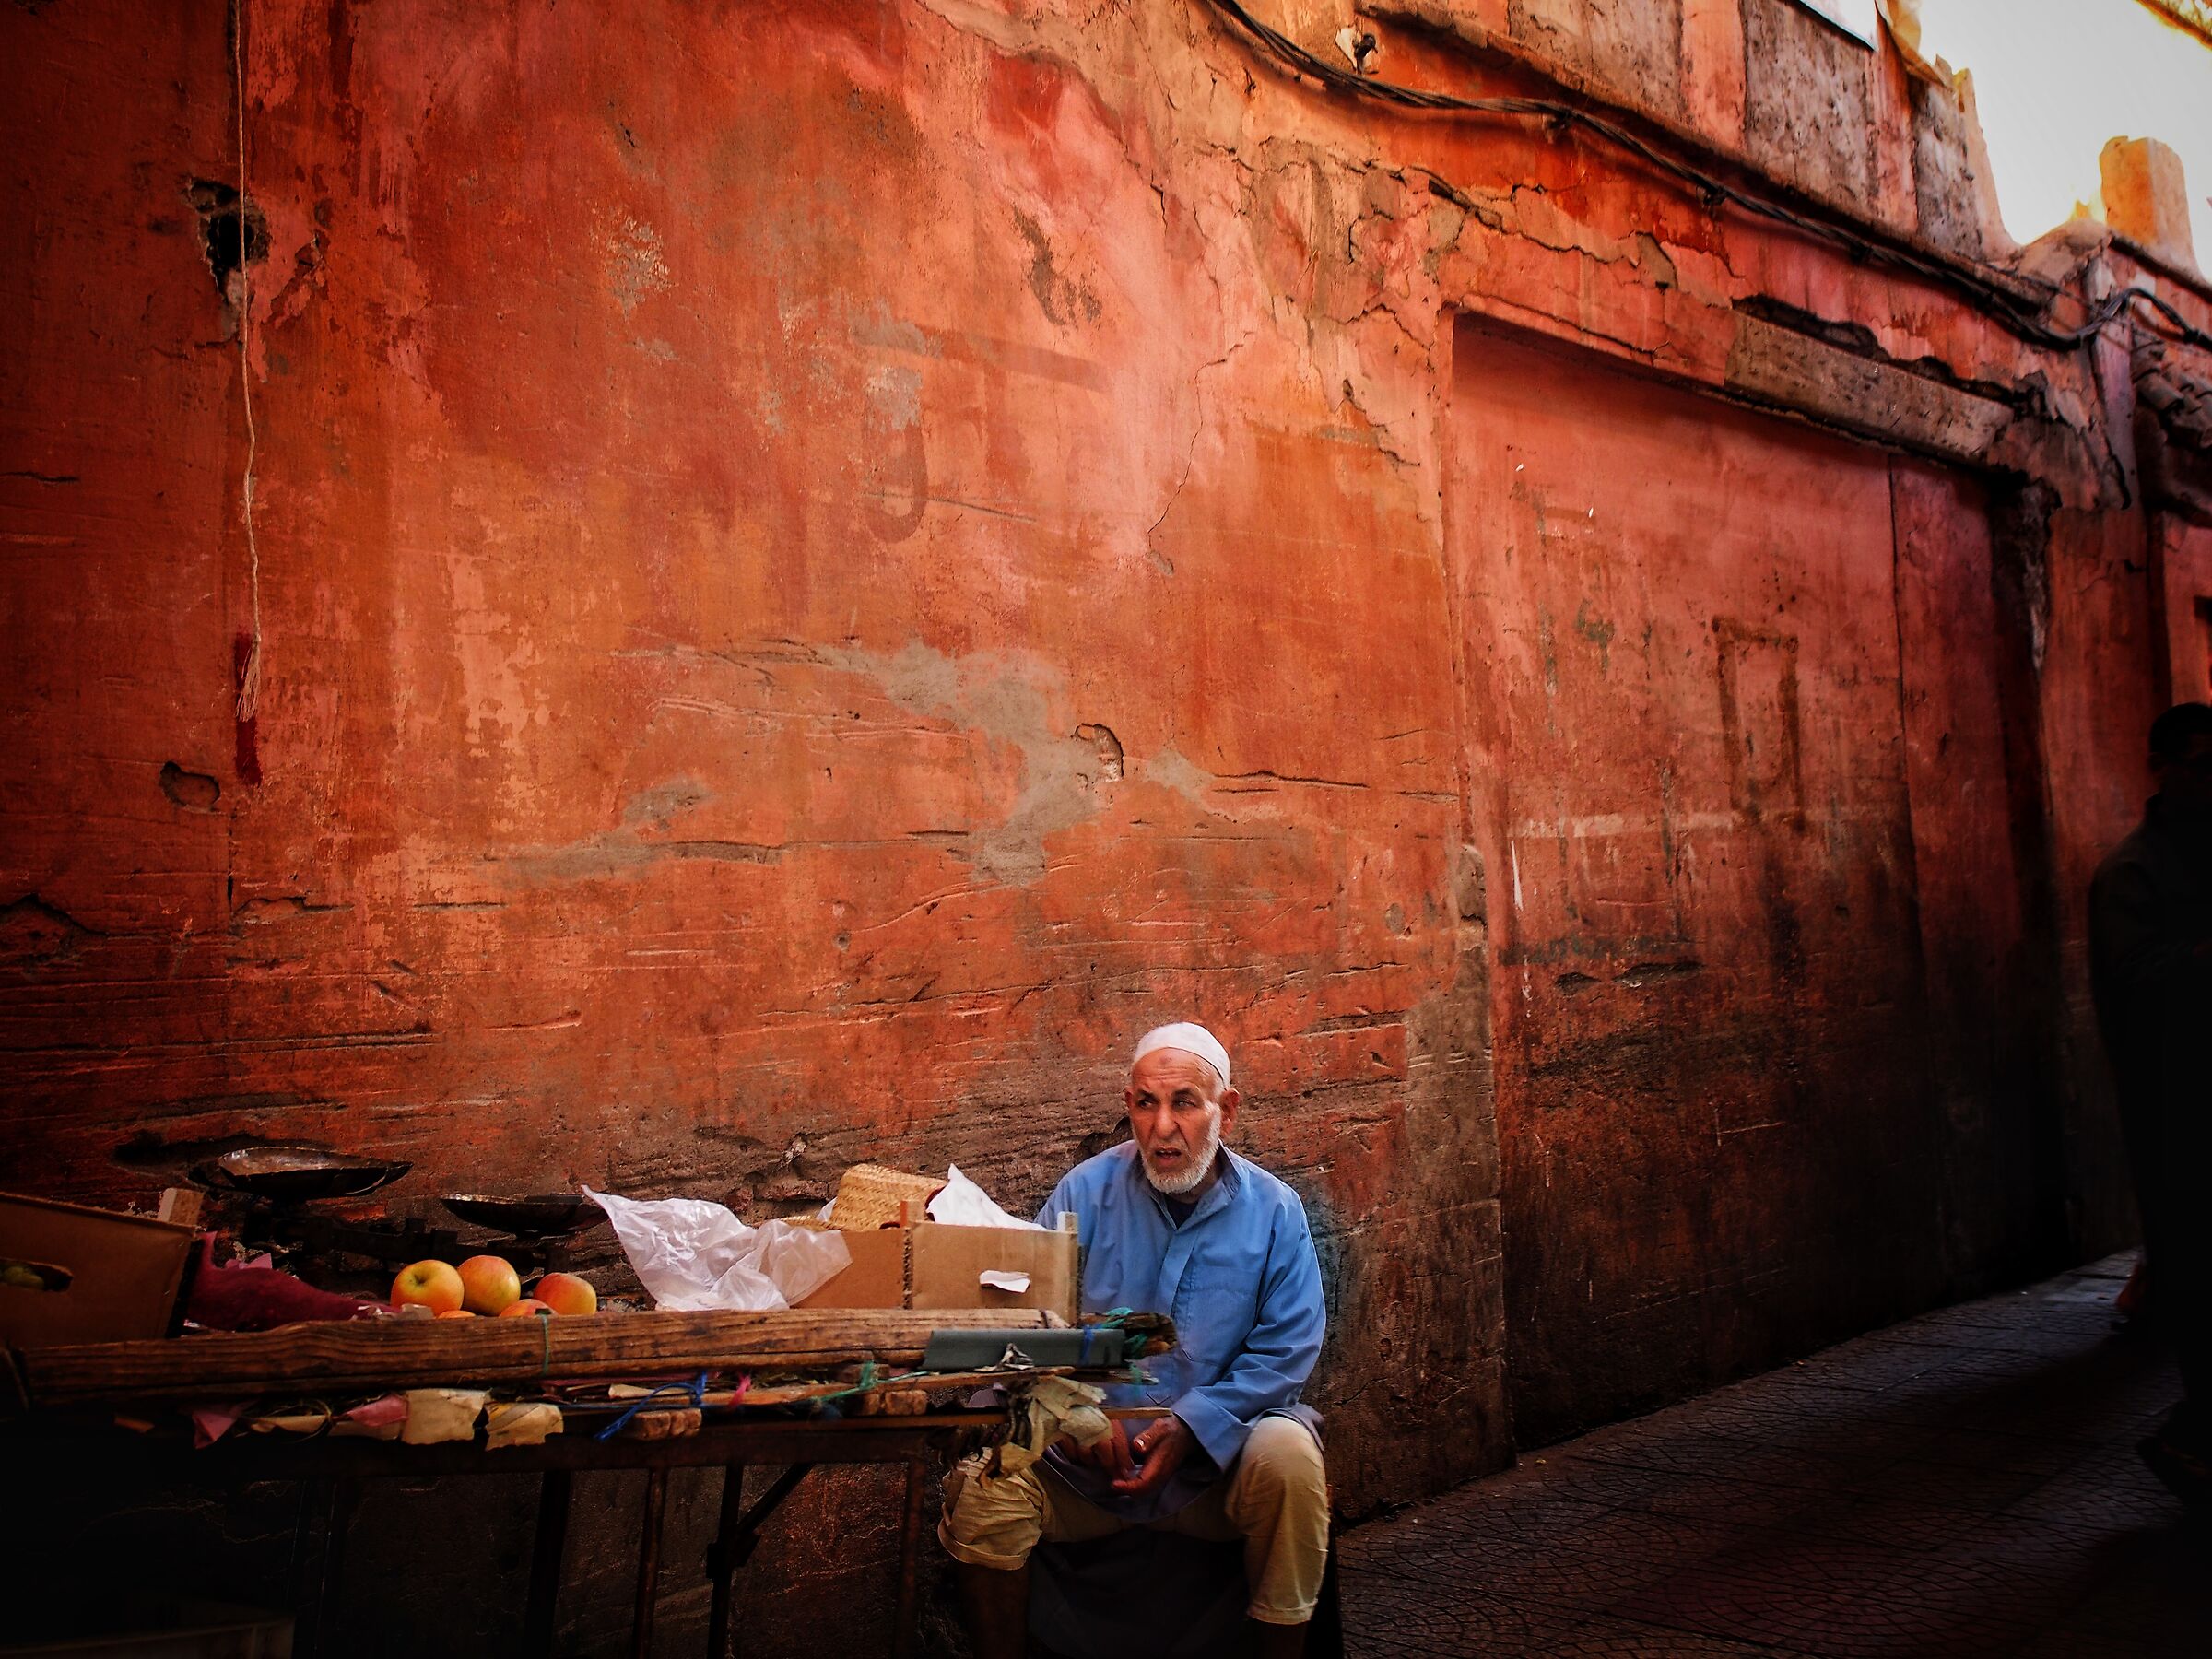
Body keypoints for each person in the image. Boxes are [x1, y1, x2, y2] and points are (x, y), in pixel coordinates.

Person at [939, 1022, 1329, 1658]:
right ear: (1129, 1107)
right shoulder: (1083, 1193)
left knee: (1290, 1461)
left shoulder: (1276, 1210)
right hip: (1087, 1467)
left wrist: (1194, 1426)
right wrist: (1074, 1411)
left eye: (1185, 1103)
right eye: (1147, 1103)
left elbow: (1287, 1347)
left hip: (1215, 1468)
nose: (1163, 1127)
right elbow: (1033, 1325)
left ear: (1225, 1111)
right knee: (987, 1488)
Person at [2088, 701, 2212, 1508]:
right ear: (2162, 769)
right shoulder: (2130, 875)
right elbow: (2134, 985)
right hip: (2181, 1112)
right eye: (2203, 766)